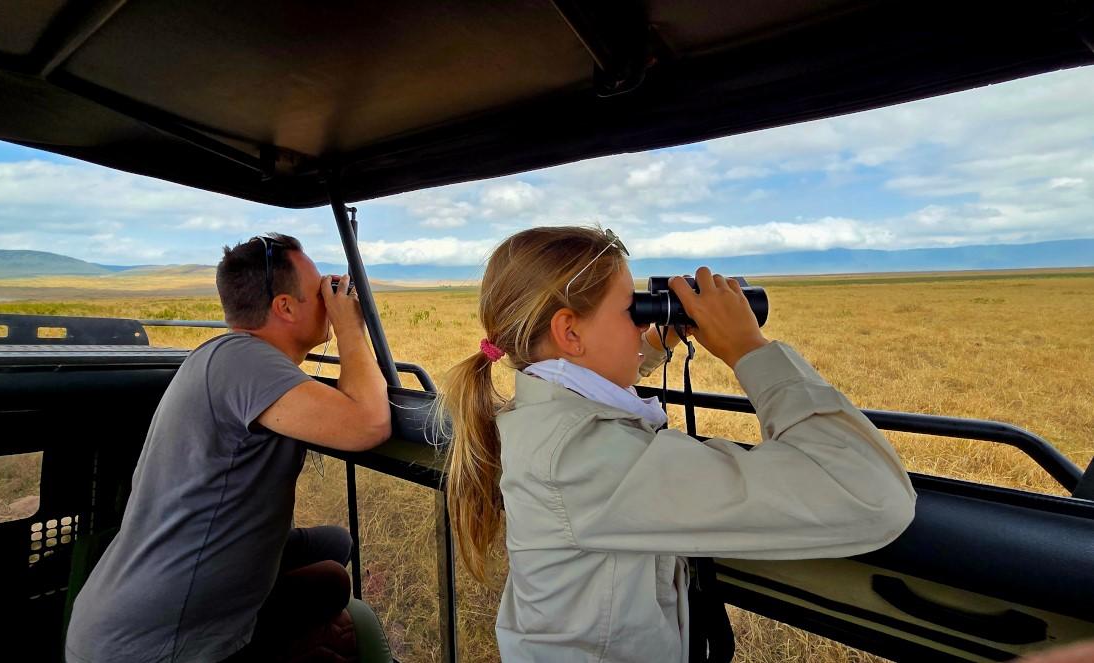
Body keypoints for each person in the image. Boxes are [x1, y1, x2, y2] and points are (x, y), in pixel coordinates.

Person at [439, 226, 918, 663]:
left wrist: (649, 344)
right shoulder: (584, 458)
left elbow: (591, 385)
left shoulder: (541, 415)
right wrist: (749, 348)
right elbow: (872, 495)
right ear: (569, 332)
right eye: (631, 309)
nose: (639, 320)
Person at [66, 234, 393, 663]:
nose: (329, 300)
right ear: (286, 308)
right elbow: (368, 424)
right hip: (150, 644)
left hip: (144, 606)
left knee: (333, 563)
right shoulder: (244, 361)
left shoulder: (228, 358)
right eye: (319, 293)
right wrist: (350, 325)